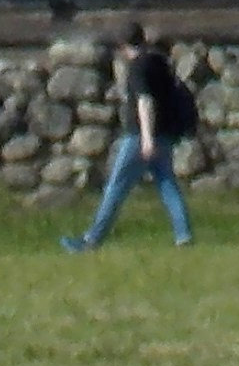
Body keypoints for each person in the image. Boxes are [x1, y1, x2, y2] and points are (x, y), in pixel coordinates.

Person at [65, 23, 196, 251]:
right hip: (165, 134)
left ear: (123, 46)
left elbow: (145, 101)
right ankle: (184, 236)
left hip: (140, 137)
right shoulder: (159, 62)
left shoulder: (138, 67)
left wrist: (146, 137)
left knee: (116, 187)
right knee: (167, 184)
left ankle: (91, 240)